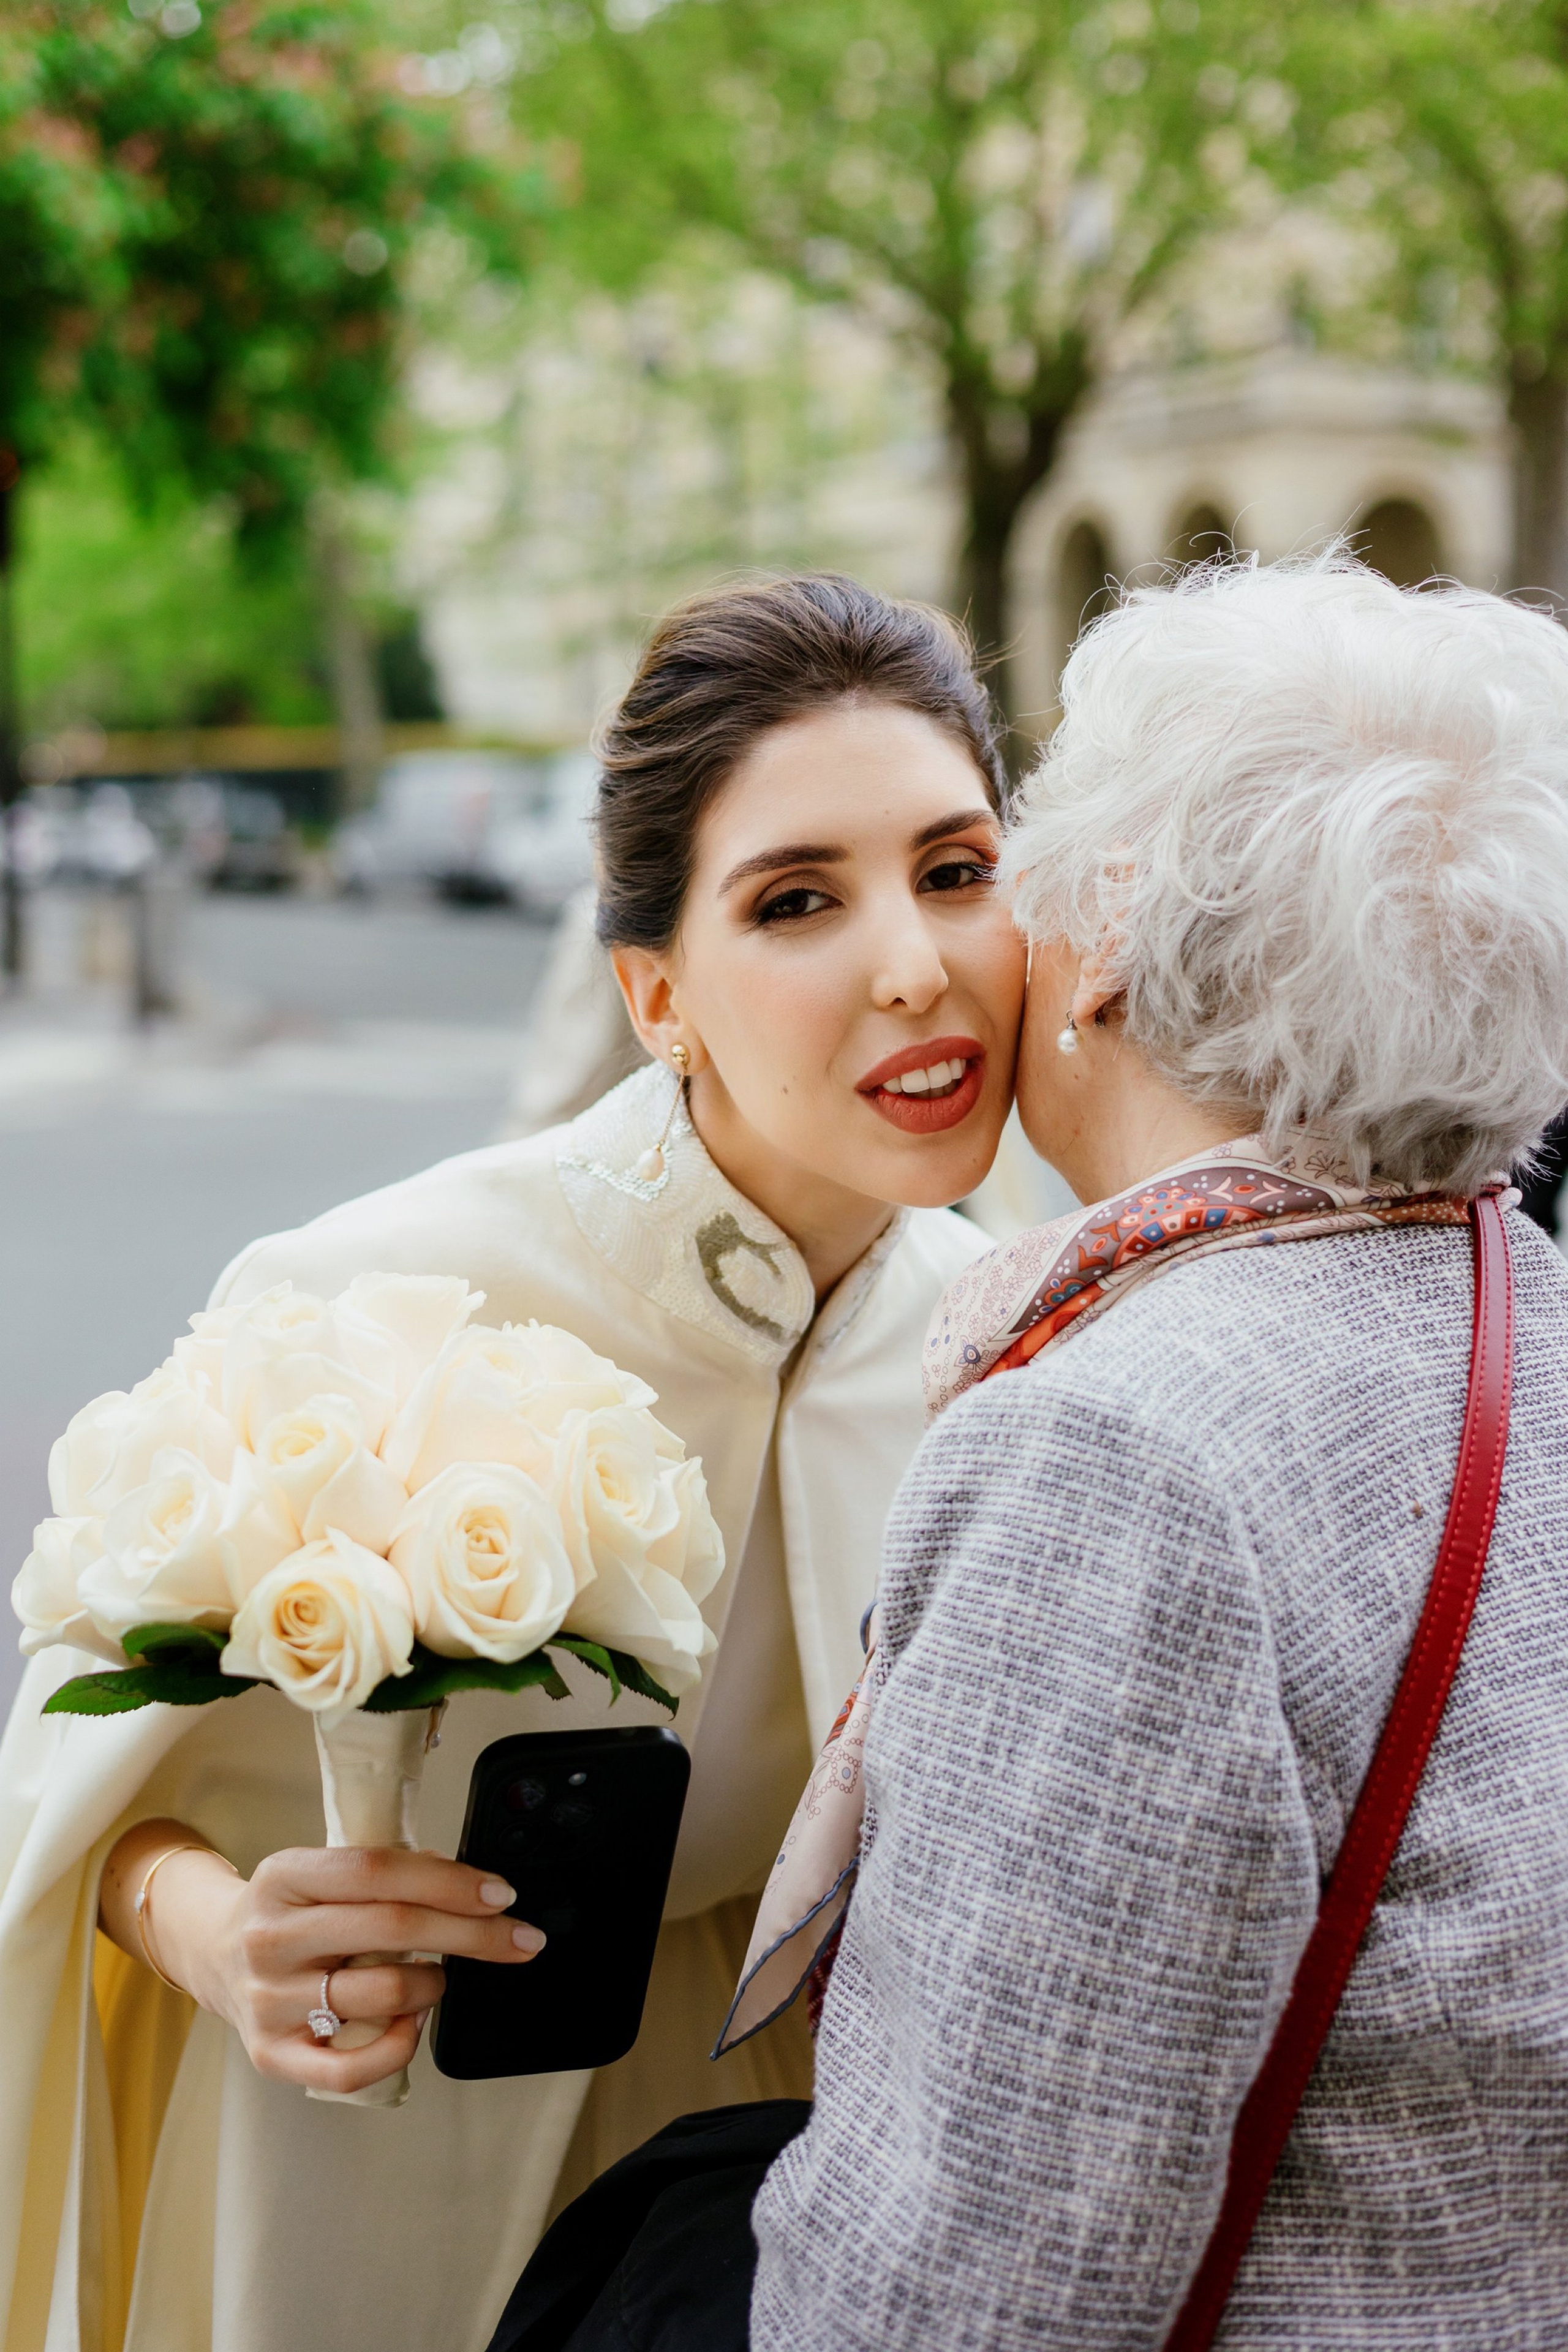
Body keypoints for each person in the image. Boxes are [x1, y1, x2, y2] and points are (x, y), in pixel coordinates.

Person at [492, 553, 1568, 2350]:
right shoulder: (1510, 1288)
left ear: (1118, 930)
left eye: (1002, 853)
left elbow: (963, 2285)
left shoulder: (1122, 1453)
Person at [0, 575, 1024, 2352]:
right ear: (655, 995)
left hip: (779, 2208)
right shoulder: (372, 1300)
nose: (915, 962)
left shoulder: (1015, 1338)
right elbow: (61, 1780)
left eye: (956, 870)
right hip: (366, 2198)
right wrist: (219, 1934)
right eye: (798, 900)